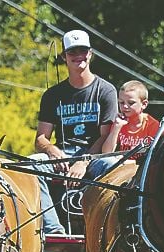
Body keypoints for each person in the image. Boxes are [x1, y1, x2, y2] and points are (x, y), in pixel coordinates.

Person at [33, 29, 120, 234]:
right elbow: (40, 138)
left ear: (90, 54)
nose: (78, 56)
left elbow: (105, 137)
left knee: (112, 165)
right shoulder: (52, 95)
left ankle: (102, 227)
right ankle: (53, 230)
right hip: (62, 157)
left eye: (82, 51)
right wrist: (52, 150)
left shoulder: (106, 90)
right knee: (32, 165)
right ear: (64, 57)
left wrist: (84, 160)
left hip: (95, 157)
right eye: (72, 53)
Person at [108, 80, 160, 159]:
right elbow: (106, 152)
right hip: (123, 167)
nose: (125, 106)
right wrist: (116, 128)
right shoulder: (119, 122)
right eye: (121, 102)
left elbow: (155, 155)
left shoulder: (152, 125)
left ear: (144, 104)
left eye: (131, 103)